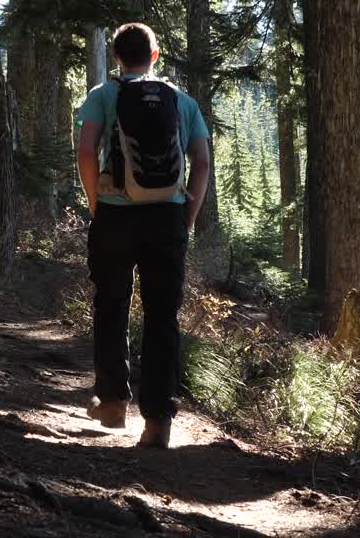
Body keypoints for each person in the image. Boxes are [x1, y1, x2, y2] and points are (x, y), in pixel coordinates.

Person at [75, 22, 211, 449]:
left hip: (115, 217)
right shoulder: (181, 100)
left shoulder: (102, 96)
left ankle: (113, 403)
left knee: (111, 305)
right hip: (167, 219)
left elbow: (85, 152)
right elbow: (202, 162)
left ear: (117, 58)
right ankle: (157, 423)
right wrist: (187, 217)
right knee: (161, 317)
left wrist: (97, 202)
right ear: (155, 56)